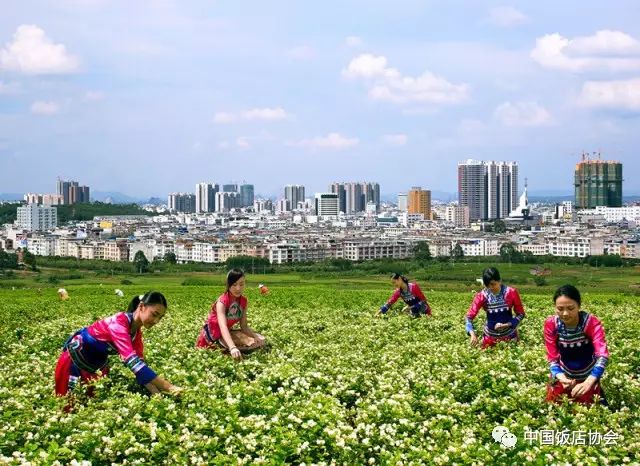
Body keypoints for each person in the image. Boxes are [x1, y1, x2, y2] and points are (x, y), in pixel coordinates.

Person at [54, 291, 182, 401]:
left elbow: (140, 369)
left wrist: (157, 394)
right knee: (69, 403)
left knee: (90, 403)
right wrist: (170, 387)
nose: (156, 321)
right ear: (141, 306)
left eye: (160, 317)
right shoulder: (118, 323)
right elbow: (132, 362)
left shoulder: (135, 334)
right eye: (154, 314)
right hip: (75, 361)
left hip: (96, 365)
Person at [544, 284, 609, 405]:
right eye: (560, 308)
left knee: (590, 414)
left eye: (570, 308)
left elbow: (602, 355)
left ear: (579, 306)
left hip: (588, 376)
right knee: (555, 412)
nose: (565, 313)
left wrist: (589, 382)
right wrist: (562, 378)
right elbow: (552, 358)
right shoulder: (551, 324)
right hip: (563, 375)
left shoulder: (591, 322)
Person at [196, 269, 266, 359]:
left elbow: (244, 326)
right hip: (212, 338)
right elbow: (223, 326)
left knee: (258, 341)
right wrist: (232, 347)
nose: (238, 288)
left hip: (226, 335)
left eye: (241, 284)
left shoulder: (244, 301)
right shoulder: (222, 302)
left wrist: (256, 338)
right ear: (228, 285)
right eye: (234, 284)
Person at [465, 267, 525, 348]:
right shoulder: (482, 296)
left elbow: (521, 314)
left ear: (499, 280)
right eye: (487, 285)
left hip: (510, 336)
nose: (491, 288)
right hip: (489, 339)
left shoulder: (511, 292)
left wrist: (507, 324)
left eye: (493, 284)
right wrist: (472, 334)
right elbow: (468, 318)